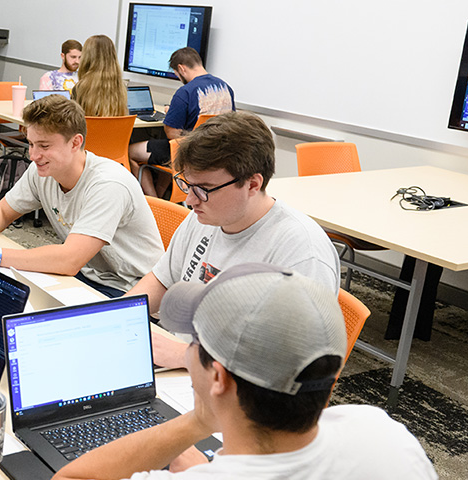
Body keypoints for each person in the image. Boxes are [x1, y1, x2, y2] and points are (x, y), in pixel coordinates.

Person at [54, 263, 438, 479]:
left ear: (219, 378)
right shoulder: (383, 432)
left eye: (192, 342)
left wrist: (198, 422)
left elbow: (68, 478)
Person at [125, 111, 340, 368]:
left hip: (242, 390)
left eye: (203, 189)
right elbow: (161, 279)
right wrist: (117, 321)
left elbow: (290, 362)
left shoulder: (301, 251)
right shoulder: (203, 217)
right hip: (189, 368)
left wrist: (187, 356)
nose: (191, 200)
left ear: (252, 184)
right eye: (187, 184)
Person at [0, 95, 163, 298]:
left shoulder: (108, 184)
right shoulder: (44, 170)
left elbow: (69, 260)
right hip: (89, 275)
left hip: (131, 289)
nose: (33, 155)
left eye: (44, 146)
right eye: (30, 144)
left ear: (75, 142)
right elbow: (2, 212)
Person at [129, 47, 235, 196]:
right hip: (218, 154)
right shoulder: (226, 88)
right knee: (169, 151)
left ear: (181, 68)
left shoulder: (185, 92)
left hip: (191, 153)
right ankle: (161, 197)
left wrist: (172, 114)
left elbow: (172, 133)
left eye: (177, 74)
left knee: (132, 151)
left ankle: (153, 201)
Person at [70, 35, 127, 117]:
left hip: (89, 130)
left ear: (87, 58)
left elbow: (75, 121)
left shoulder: (80, 88)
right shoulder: (121, 88)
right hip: (114, 130)